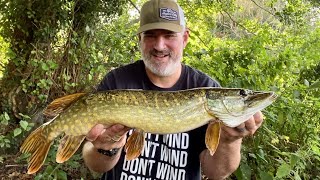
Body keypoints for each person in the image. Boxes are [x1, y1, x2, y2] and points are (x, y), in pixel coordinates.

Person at [82, 0, 263, 179]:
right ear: (140, 39)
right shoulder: (117, 80)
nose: (160, 46)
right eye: (151, 35)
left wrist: (230, 140)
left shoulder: (206, 87)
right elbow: (95, 164)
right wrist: (107, 148)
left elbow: (216, 173)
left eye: (169, 35)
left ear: (184, 38)